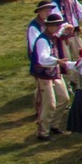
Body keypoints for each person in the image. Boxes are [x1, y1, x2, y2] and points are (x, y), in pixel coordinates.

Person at [29, 12, 69, 140]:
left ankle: (54, 124)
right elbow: (42, 59)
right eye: (56, 25)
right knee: (49, 104)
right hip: (44, 74)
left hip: (54, 71)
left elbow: (61, 31)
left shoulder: (53, 36)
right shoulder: (42, 40)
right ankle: (43, 132)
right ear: (49, 26)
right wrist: (57, 61)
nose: (59, 27)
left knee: (64, 98)